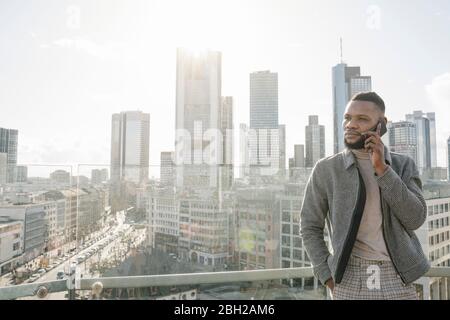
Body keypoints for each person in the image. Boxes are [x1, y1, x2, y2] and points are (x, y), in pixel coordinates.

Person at [300, 92, 430, 300]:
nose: (351, 124)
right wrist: (326, 275)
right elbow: (309, 226)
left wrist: (383, 170)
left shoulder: (403, 165)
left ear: (381, 124)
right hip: (349, 277)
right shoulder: (327, 169)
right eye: (348, 117)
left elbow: (415, 219)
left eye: (362, 119)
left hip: (399, 278)